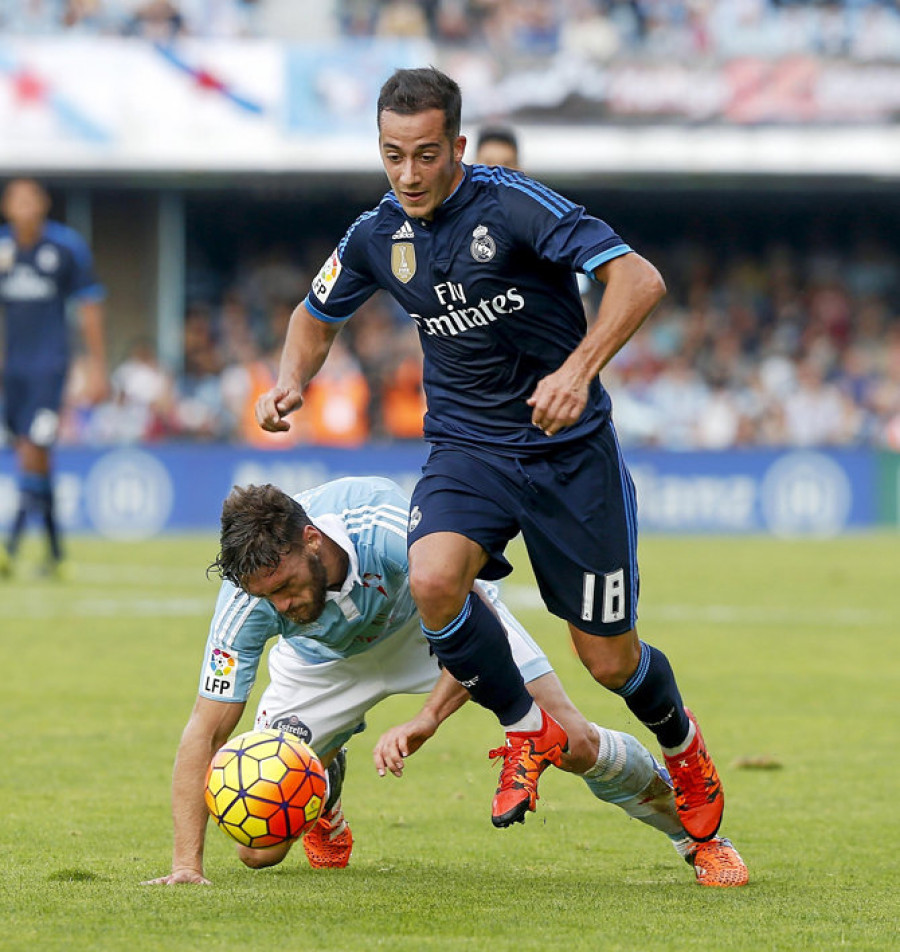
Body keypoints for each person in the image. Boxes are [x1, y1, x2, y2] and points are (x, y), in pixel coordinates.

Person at [256, 67, 726, 842]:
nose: (408, 173)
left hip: (566, 452)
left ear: (458, 147)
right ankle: (524, 726)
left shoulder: (511, 203)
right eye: (392, 154)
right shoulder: (376, 233)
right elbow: (315, 313)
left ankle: (682, 746)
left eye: (426, 154)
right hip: (467, 447)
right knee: (435, 579)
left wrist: (577, 372)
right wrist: (289, 381)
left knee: (609, 664)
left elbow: (638, 278)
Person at [144, 477, 747, 887]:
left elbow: (471, 629)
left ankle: (696, 839)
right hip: (321, 664)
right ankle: (320, 789)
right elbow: (206, 730)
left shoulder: (389, 528)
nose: (278, 603)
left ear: (312, 539)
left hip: (435, 624)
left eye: (283, 587)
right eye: (264, 596)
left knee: (572, 740)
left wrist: (428, 716)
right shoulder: (249, 602)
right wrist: (186, 864)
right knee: (259, 848)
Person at [0, 178, 107, 578]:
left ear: (43, 204)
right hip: (14, 372)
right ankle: (57, 554)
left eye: (31, 199)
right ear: (8, 207)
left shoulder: (66, 247)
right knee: (37, 459)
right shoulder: (3, 249)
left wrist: (96, 367)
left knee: (33, 448)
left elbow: (90, 306)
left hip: (50, 368)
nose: (25, 206)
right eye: (17, 199)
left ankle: (8, 546)